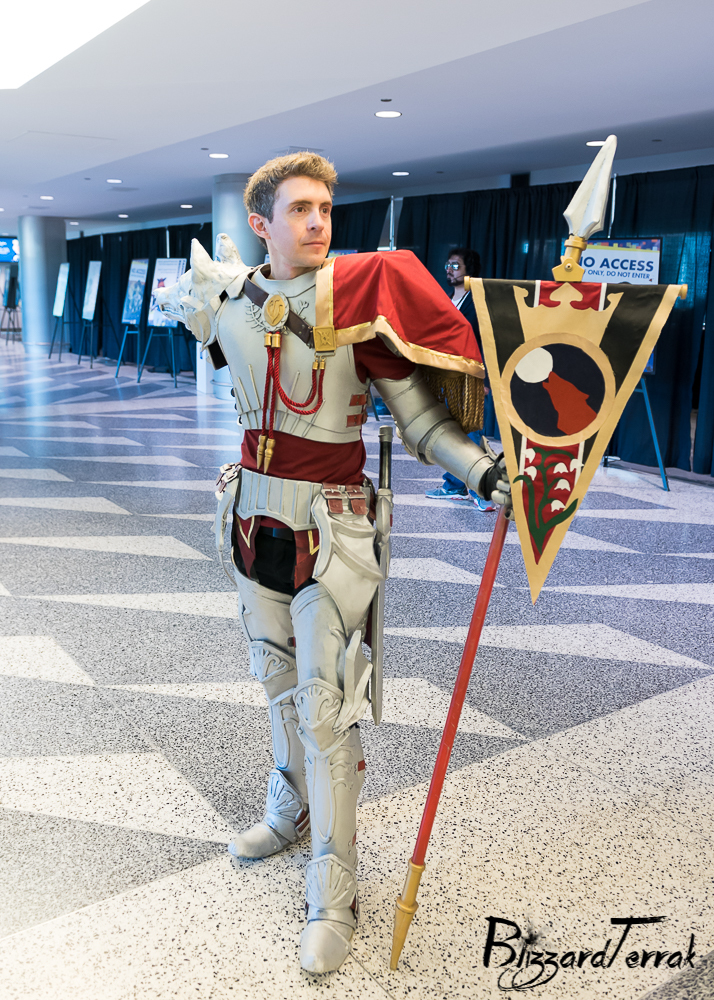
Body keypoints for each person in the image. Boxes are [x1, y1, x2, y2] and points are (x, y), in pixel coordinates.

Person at [156, 152, 511, 974]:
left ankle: (335, 890)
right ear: (261, 223)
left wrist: (485, 474)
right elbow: (209, 330)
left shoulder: (357, 306)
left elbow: (423, 423)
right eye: (301, 209)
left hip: (333, 526)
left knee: (326, 704)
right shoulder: (229, 300)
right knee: (274, 678)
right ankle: (291, 811)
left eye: (325, 208)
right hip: (251, 516)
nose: (319, 222)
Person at [425, 247, 497, 511]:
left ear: (469, 270)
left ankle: (480, 490)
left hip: (472, 377)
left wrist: (485, 379)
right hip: (449, 378)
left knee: (471, 432)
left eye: (455, 266)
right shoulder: (448, 300)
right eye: (448, 265)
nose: (449, 269)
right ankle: (455, 485)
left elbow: (487, 342)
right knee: (453, 433)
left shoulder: (478, 301)